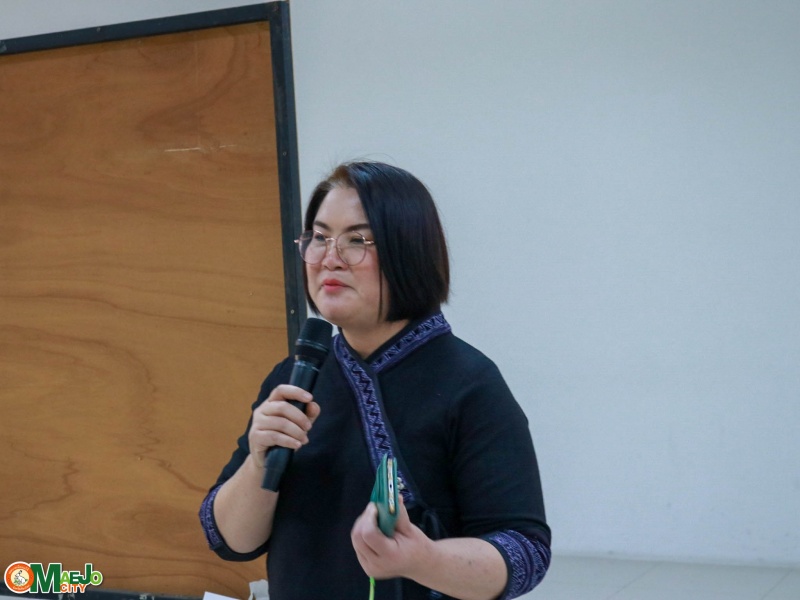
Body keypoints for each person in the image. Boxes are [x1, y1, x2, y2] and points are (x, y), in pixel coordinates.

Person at [199, 161, 551, 600]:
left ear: (408, 252)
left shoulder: (470, 383)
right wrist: (257, 463)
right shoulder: (293, 376)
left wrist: (423, 560)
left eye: (356, 240)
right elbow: (229, 540)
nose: (329, 258)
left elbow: (525, 553)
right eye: (319, 237)